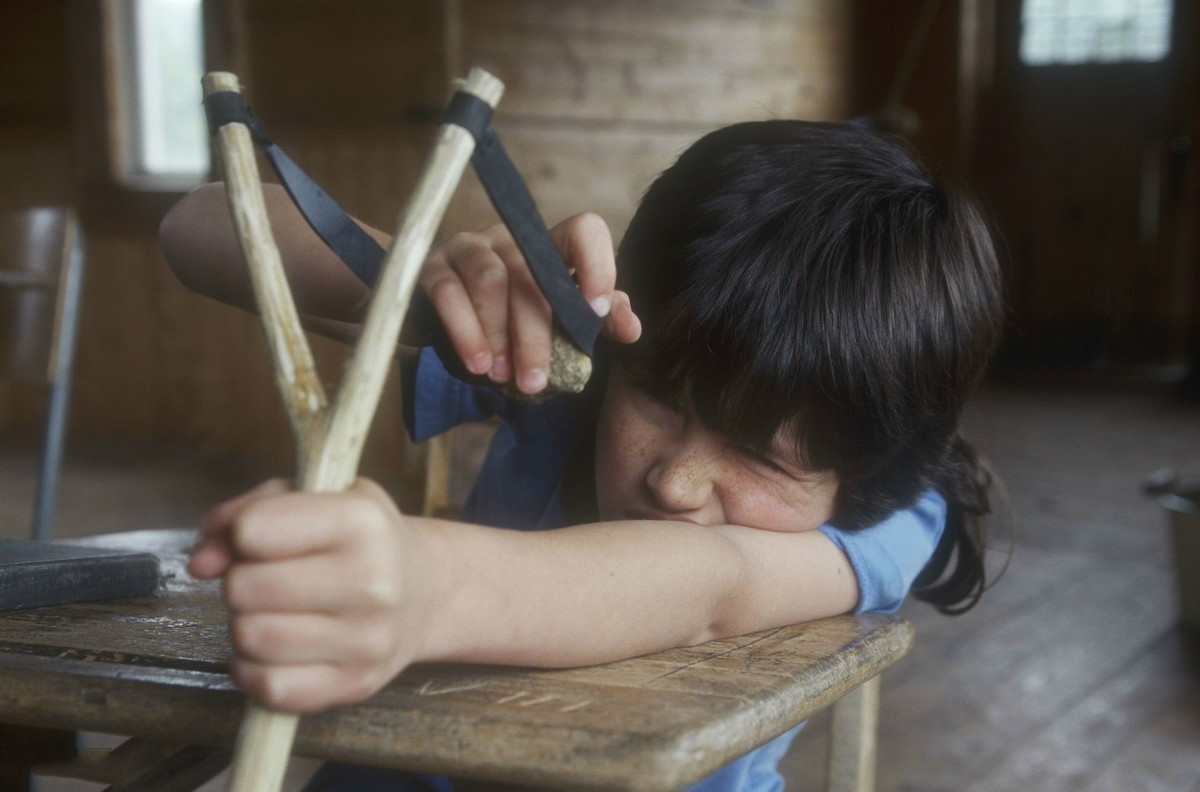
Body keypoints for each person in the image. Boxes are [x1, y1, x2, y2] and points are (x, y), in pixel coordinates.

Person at [159, 119, 1004, 791]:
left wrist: (424, 585)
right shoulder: (570, 379)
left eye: (762, 456)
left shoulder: (895, 516)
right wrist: (420, 288)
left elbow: (709, 584)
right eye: (658, 398)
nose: (674, 480)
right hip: (412, 771)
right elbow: (195, 227)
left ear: (865, 473)